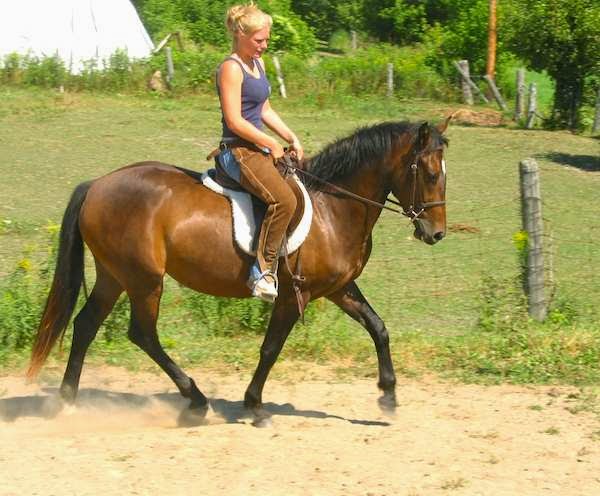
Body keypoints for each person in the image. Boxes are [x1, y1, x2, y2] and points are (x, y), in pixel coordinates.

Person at [216, 2, 304, 303]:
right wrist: (270, 143)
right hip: (237, 151)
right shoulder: (231, 68)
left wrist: (290, 135)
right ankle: (262, 272)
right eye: (259, 40)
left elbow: (263, 108)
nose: (264, 46)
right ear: (241, 34)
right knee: (284, 200)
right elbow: (235, 120)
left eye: (266, 40)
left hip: (257, 149)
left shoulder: (258, 65)